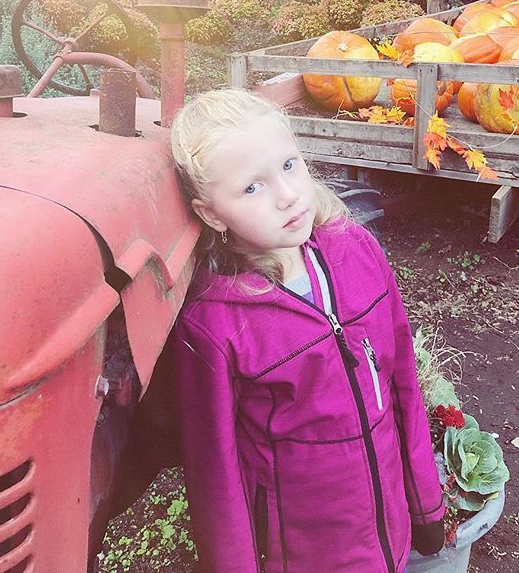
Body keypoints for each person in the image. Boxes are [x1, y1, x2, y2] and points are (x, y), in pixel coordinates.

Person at [169, 88, 445, 573]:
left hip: (387, 530)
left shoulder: (358, 250)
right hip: (303, 552)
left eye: (289, 165)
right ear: (211, 213)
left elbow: (403, 381)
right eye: (251, 188)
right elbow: (216, 472)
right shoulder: (215, 324)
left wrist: (425, 503)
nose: (288, 195)